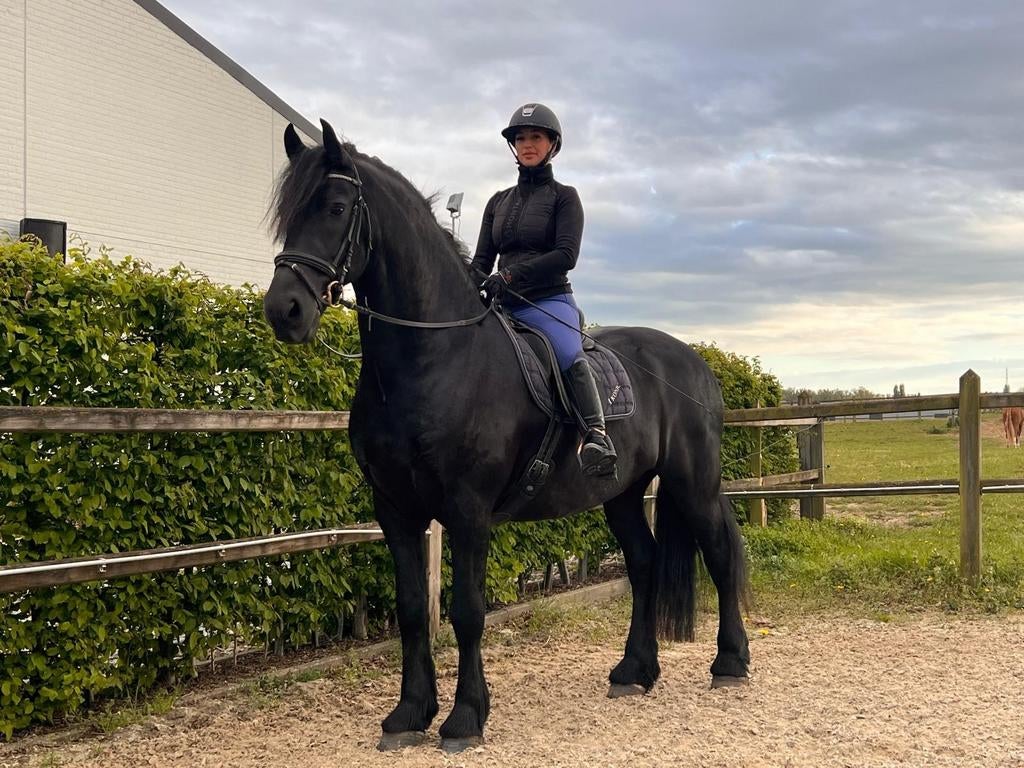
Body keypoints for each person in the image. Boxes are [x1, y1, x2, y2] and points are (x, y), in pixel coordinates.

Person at [471, 102, 617, 477]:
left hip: (548, 302)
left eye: (536, 137)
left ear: (552, 144)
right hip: (503, 307)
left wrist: (511, 276)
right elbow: (481, 262)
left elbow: (566, 255)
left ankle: (597, 435)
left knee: (569, 353)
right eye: (521, 138)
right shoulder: (497, 202)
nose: (527, 144)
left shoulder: (565, 197)